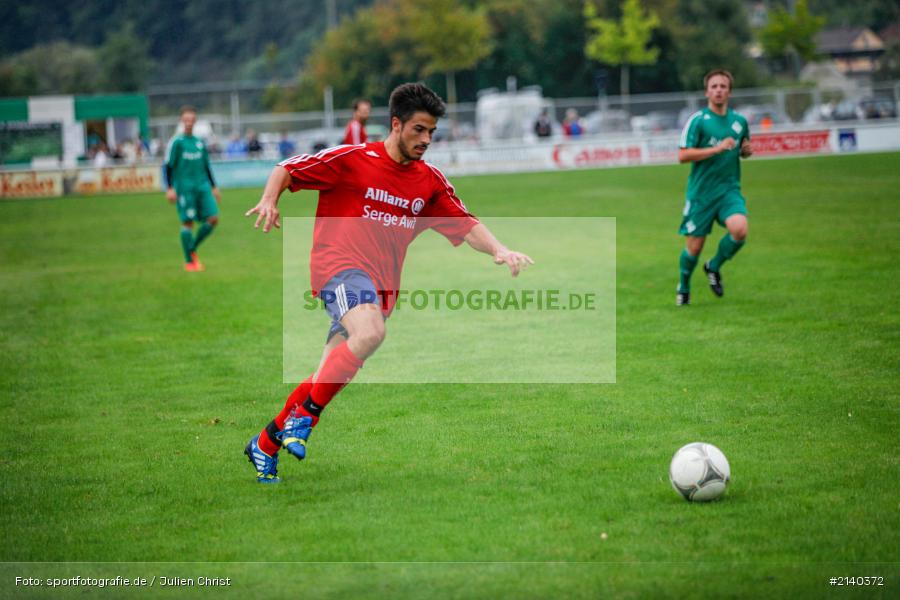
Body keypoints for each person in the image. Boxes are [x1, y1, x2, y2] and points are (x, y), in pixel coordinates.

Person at [243, 83, 534, 483]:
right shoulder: (352, 159)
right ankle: (304, 420)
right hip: (339, 268)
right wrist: (270, 198)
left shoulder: (428, 181)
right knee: (371, 333)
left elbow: (465, 224)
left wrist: (499, 250)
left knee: (328, 372)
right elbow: (289, 167)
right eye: (418, 129)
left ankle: (264, 443)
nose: (426, 139)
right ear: (396, 125)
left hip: (382, 288)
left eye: (432, 132)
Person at [675, 69, 753, 306]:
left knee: (739, 230)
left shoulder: (739, 122)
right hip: (701, 194)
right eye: (714, 86)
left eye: (723, 86)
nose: (719, 90)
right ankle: (684, 286)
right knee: (694, 248)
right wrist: (716, 149)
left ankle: (714, 266)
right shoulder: (698, 121)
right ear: (707, 91)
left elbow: (744, 148)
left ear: (729, 91)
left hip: (729, 190)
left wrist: (746, 152)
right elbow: (682, 155)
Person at [165, 105, 222, 272]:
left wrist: (214, 187)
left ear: (195, 121)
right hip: (185, 189)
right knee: (187, 222)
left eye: (191, 120)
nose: (189, 123)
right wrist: (169, 188)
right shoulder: (177, 143)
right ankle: (190, 262)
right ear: (181, 121)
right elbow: (168, 166)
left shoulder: (199, 143)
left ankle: (192, 248)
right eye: (186, 120)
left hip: (202, 187)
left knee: (213, 218)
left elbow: (206, 166)